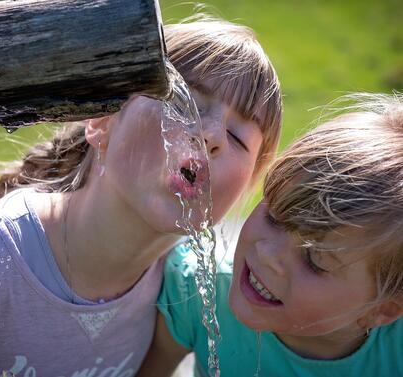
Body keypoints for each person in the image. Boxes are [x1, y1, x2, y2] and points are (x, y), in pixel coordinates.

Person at [0, 17, 282, 377]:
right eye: (185, 104)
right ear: (101, 122)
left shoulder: (182, 292)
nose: (211, 135)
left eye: (237, 138)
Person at [140, 92, 403, 376]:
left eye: (314, 260)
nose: (267, 254)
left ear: (381, 310)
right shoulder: (199, 295)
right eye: (274, 217)